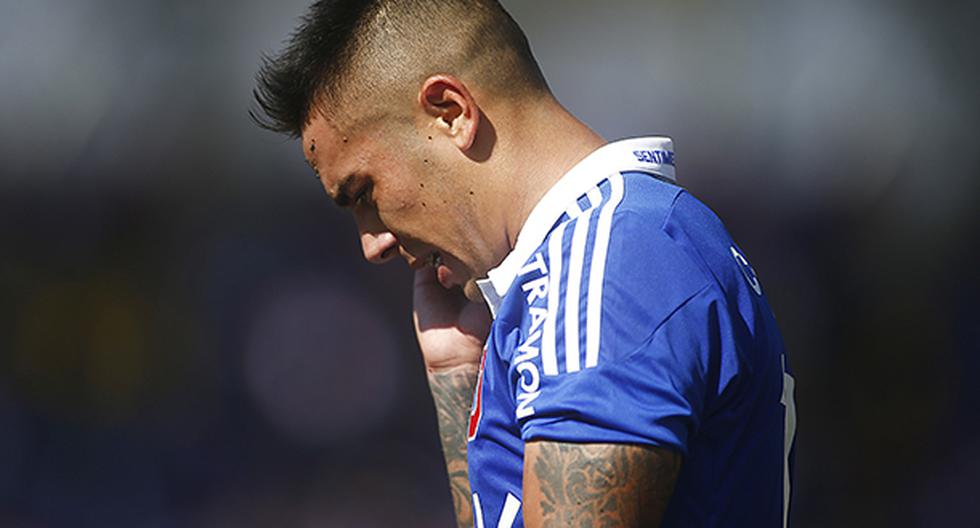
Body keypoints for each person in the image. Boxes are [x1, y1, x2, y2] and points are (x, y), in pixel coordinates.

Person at [251, 1, 796, 526]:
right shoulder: (607, 252)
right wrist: (457, 374)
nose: (372, 244)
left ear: (450, 112)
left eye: (363, 192)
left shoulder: (611, 262)